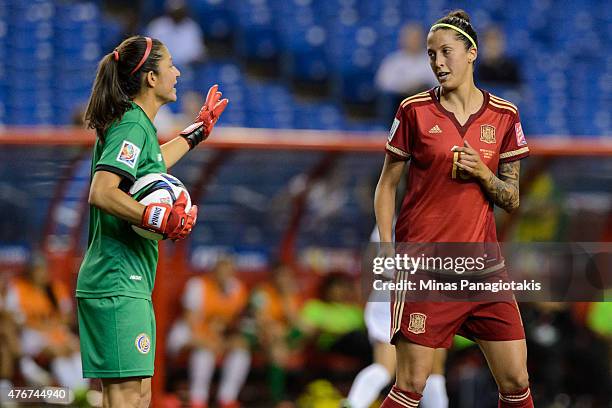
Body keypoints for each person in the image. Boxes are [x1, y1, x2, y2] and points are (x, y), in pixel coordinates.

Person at [374, 10, 533, 408]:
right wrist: (388, 249)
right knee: (410, 384)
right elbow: (386, 185)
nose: (438, 63)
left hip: (484, 269)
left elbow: (512, 199)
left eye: (446, 52)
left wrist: (483, 172)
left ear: (471, 53)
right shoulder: (413, 110)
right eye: (431, 55)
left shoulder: (504, 116)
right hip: (424, 266)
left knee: (516, 380)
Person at [77, 35, 227, 407]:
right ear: (150, 78)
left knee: (138, 394)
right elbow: (102, 190)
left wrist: (196, 133)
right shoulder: (131, 124)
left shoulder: (138, 125)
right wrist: (154, 215)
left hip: (130, 280)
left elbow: (151, 164)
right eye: (171, 65)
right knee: (126, 397)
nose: (177, 72)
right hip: (114, 280)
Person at [343, 228, 448, 408]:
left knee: (384, 367)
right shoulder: (439, 214)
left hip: (387, 295)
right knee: (433, 369)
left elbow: (369, 263)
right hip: (422, 294)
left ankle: (353, 404)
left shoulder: (388, 215)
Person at [167, 257, 251, 408]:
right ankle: (198, 399)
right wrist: (209, 341)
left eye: (228, 272)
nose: (224, 275)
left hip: (217, 338)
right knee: (203, 352)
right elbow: (190, 321)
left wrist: (226, 341)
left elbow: (236, 323)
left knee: (240, 352)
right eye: (221, 271)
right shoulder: (198, 285)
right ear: (213, 271)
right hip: (188, 334)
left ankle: (227, 399)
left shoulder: (237, 288)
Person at [6, 255, 88, 393]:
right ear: (30, 271)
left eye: (43, 269)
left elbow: (68, 316)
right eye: (37, 269)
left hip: (57, 332)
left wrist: (54, 327)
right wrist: (42, 328)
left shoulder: (55, 288)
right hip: (32, 335)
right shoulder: (18, 288)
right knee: (56, 352)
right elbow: (13, 318)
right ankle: (71, 393)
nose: (40, 273)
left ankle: (81, 393)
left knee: (76, 350)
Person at [375, 23, 438, 117]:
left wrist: (420, 85)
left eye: (416, 38)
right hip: (399, 101)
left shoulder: (432, 60)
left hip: (426, 102)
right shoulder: (393, 61)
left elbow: (439, 82)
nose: (413, 41)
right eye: (409, 38)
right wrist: (405, 87)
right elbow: (383, 83)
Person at [146, 0, 206, 67]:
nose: (177, 14)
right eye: (175, 11)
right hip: (161, 66)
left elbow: (197, 53)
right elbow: (150, 51)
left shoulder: (192, 27)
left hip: (186, 68)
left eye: (180, 11)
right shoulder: (157, 26)